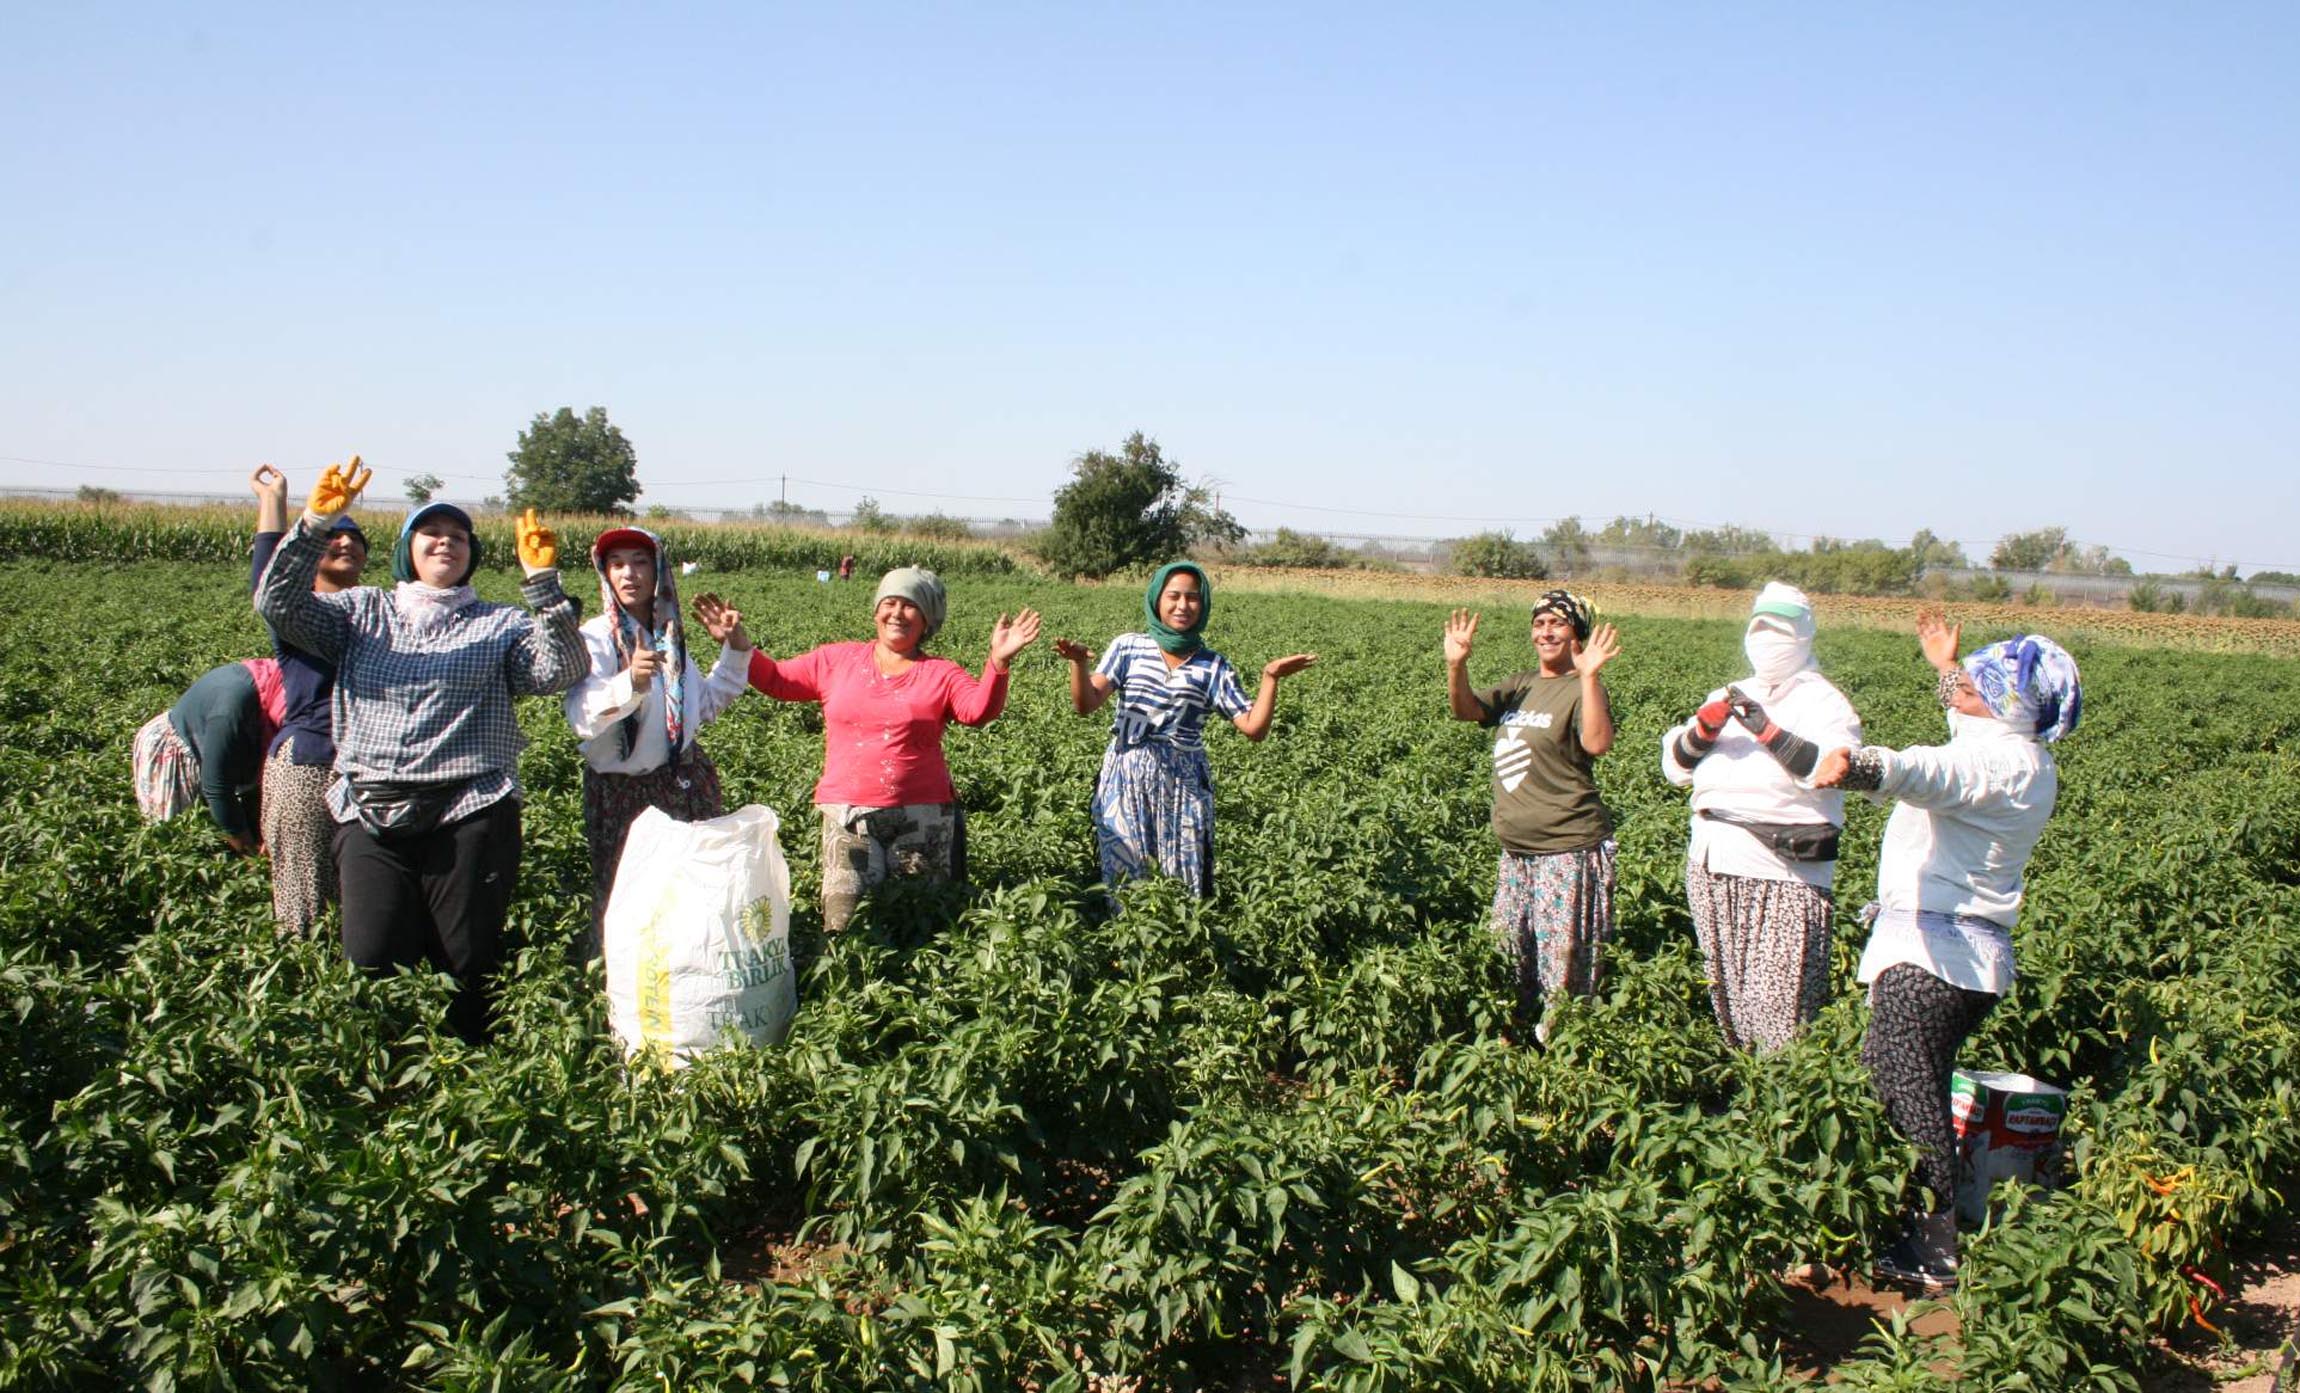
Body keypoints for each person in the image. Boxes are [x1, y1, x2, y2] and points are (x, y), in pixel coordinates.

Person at [255, 459, 588, 1042]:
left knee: (464, 961)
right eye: (432, 533)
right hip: (370, 808)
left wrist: (544, 586)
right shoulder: (361, 613)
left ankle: (465, 1076)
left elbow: (558, 669)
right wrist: (313, 523)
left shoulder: (499, 625)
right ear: (408, 548)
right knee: (371, 953)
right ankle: (387, 1078)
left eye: (458, 537)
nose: (445, 543)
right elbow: (277, 605)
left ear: (471, 555)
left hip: (468, 810)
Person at [1813, 615, 2082, 1291]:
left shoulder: (2003, 763)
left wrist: (1863, 765)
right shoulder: (2016, 750)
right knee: (1898, 1073)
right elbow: (1968, 726)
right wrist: (1945, 666)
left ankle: (1932, 1240)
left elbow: (1933, 770)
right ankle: (1917, 1223)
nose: (1966, 686)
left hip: (1938, 957)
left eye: (1980, 681)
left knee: (1908, 1090)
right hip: (1949, 952)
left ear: (2009, 703)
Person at [715, 567, 1038, 934]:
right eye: (890, 603)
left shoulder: (940, 673)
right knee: (843, 924)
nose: (897, 613)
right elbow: (777, 680)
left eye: (910, 606)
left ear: (927, 620)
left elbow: (976, 711)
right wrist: (739, 646)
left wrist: (998, 663)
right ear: (876, 611)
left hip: (922, 818)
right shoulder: (836, 660)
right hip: (848, 816)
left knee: (919, 927)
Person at [1660, 583, 1863, 1052]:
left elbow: (1832, 768)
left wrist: (1768, 730)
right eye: (1759, 626)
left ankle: (1779, 1101)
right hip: (1713, 861)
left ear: (1803, 636)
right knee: (1728, 1001)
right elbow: (1675, 766)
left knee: (1779, 1014)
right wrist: (1706, 729)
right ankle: (1748, 1093)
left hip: (1782, 872)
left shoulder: (1824, 702)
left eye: (1780, 628)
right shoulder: (1732, 692)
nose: (1766, 637)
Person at [1051, 562, 1315, 896]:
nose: (1182, 605)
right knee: (1124, 875)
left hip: (1184, 782)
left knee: (1182, 877)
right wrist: (1079, 663)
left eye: (1192, 598)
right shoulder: (1128, 647)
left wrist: (1270, 678)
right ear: (1157, 599)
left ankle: (1180, 946)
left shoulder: (1213, 665)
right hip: (1126, 775)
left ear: (1202, 604)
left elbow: (1253, 728)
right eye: (1173, 596)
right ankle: (1128, 945)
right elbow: (1086, 704)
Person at [563, 527, 752, 959]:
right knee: (627, 905)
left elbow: (702, 706)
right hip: (622, 795)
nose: (629, 573)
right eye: (617, 564)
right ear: (604, 573)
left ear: (659, 570)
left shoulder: (671, 638)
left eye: (640, 561)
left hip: (683, 784)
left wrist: (736, 648)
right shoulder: (596, 639)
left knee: (692, 903)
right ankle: (627, 1003)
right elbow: (581, 718)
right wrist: (628, 683)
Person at [1443, 591, 1621, 1045]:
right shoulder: (1520, 685)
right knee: (1508, 955)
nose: (1546, 632)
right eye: (1540, 623)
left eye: (1557, 624)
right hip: (1518, 852)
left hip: (1568, 847)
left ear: (1576, 633)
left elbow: (1598, 743)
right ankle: (1515, 1047)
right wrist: (1456, 665)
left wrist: (1590, 677)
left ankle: (1561, 1058)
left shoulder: (1579, 687)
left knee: (1561, 966)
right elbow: (1466, 710)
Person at [250, 464, 370, 935]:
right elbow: (269, 582)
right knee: (304, 901)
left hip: (366, 766)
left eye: (355, 538)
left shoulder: (374, 610)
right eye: (332, 537)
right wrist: (273, 502)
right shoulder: (297, 614)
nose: (345, 543)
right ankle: (299, 989)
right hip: (309, 762)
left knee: (358, 898)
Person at [132, 657, 286, 855]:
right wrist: (251, 855)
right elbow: (217, 787)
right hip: (180, 751)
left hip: (224, 742)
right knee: (180, 845)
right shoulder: (233, 704)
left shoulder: (280, 684)